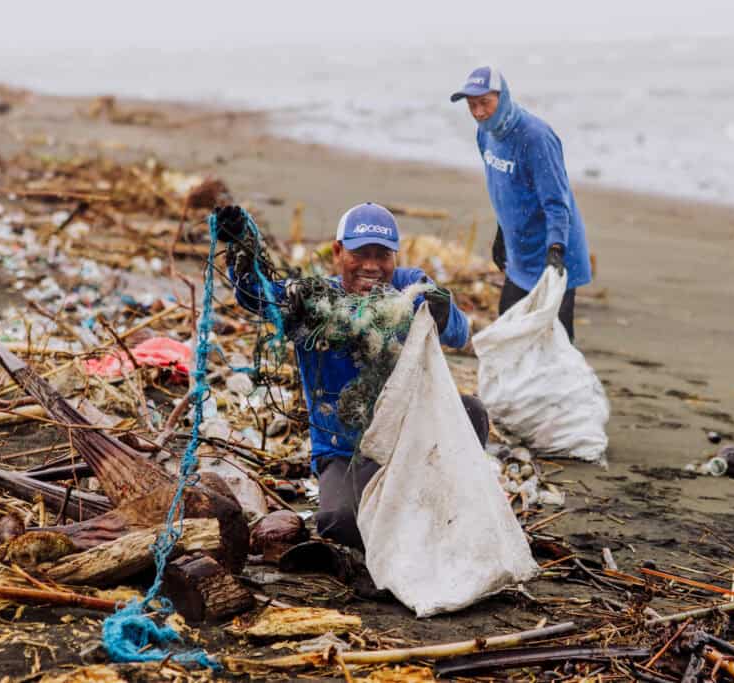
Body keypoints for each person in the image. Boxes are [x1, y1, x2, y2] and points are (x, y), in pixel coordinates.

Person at [215, 202, 489, 549]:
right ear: (338, 251)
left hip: (413, 436)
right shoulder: (310, 301)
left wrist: (444, 309)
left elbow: (459, 334)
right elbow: (258, 296)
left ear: (395, 257)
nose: (372, 266)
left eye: (382, 255)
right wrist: (240, 247)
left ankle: (458, 506)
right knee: (339, 521)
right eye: (360, 253)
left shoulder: (410, 285)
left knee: (470, 411)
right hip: (345, 451)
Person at [451, 66, 592, 342]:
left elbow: (556, 203)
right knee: (509, 333)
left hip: (556, 252)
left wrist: (555, 250)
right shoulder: (485, 135)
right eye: (472, 105)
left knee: (555, 341)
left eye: (484, 103)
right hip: (521, 254)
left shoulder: (536, 137)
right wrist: (502, 234)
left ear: (502, 99)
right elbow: (508, 190)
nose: (478, 112)